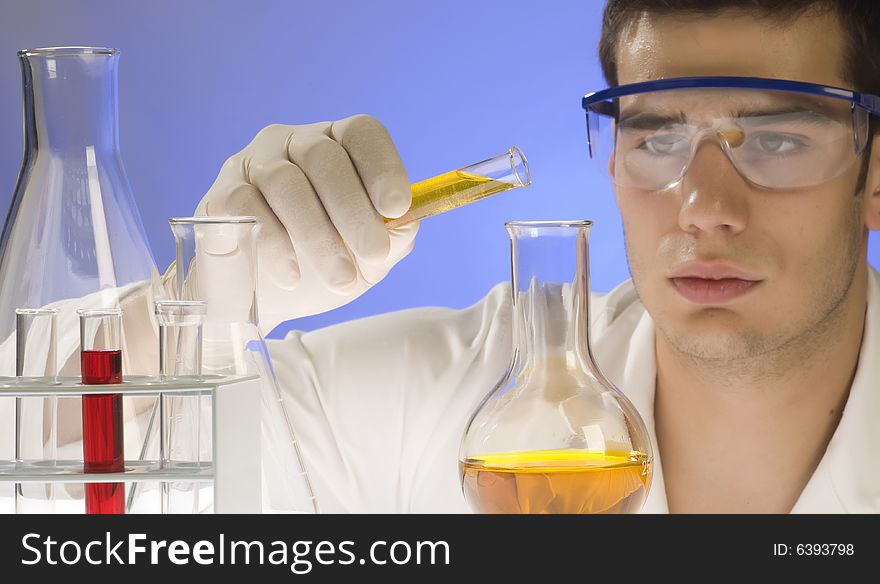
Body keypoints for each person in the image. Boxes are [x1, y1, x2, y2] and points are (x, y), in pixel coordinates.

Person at [196, 0, 880, 513]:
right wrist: (199, 308)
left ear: (874, 175)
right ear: (614, 162)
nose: (703, 205)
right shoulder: (450, 404)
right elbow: (116, 480)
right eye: (659, 138)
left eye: (778, 141)